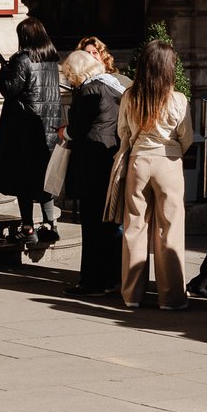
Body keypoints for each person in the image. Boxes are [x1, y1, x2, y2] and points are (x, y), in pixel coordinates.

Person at [118, 37, 194, 312]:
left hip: (138, 160)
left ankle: (132, 294)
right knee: (170, 229)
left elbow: (123, 133)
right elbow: (186, 136)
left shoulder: (130, 96)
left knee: (135, 227)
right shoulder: (177, 99)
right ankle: (171, 297)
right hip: (169, 160)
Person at [0, 16, 62, 243]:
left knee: (23, 180)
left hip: (24, 127)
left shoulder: (23, 59)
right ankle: (49, 225)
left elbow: (10, 89)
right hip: (48, 126)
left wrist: (2, 71)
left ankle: (27, 227)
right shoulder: (51, 60)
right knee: (43, 178)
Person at [60, 48, 123, 296]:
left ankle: (91, 281)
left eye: (69, 74)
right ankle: (110, 278)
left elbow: (78, 127)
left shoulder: (88, 90)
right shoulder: (113, 86)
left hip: (91, 161)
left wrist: (64, 132)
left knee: (91, 223)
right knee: (107, 223)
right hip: (109, 158)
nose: (69, 79)